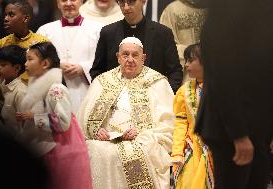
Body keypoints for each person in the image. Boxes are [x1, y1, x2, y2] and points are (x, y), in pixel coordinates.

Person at [77, 37, 174, 189]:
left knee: (129, 153)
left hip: (140, 141)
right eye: (125, 55)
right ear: (118, 57)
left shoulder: (157, 82)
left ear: (143, 58)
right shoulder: (103, 81)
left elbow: (168, 125)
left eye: (135, 55)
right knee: (92, 150)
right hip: (105, 141)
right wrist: (95, 130)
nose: (130, 59)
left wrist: (141, 132)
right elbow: (83, 119)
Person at [195, 0, 273, 189]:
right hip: (230, 128)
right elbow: (222, 78)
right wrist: (238, 134)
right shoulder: (224, 11)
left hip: (260, 123)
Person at [16, 42, 92, 189]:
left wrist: (34, 117)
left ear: (45, 63)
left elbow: (63, 122)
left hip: (62, 149)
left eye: (30, 59)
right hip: (47, 146)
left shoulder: (56, 89)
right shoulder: (37, 88)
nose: (25, 64)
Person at [90, 0, 183, 92]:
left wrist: (163, 95)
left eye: (131, 1)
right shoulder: (108, 33)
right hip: (116, 100)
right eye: (122, 2)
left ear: (143, 1)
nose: (126, 7)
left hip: (153, 101)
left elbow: (175, 72)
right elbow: (97, 71)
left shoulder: (163, 33)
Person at [37, 0, 101, 113]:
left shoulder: (97, 29)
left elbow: (104, 60)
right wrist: (55, 65)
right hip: (54, 94)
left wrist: (83, 68)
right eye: (63, 0)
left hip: (86, 91)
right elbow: (35, 61)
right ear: (57, 4)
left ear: (81, 1)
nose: (68, 3)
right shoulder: (44, 31)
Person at [171, 43, 213, 189]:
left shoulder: (222, 87)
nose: (186, 65)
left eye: (190, 60)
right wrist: (177, 151)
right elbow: (180, 124)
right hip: (192, 148)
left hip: (217, 148)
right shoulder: (184, 91)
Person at [0, 0, 48, 83]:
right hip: (6, 94)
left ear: (25, 18)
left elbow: (50, 74)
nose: (6, 19)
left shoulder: (41, 42)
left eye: (11, 15)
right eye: (5, 15)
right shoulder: (2, 43)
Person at [159, 0, 207, 82]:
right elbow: (165, 46)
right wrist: (192, 53)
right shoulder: (172, 10)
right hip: (184, 76)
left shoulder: (215, 9)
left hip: (212, 72)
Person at [0, 45, 27, 135]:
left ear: (17, 68)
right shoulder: (2, 83)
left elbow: (25, 125)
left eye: (3, 64)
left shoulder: (21, 92)